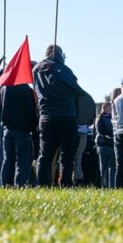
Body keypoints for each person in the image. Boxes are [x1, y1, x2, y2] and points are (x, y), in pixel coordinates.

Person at [33, 44, 90, 188]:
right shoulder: (62, 70)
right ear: (59, 55)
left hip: (45, 117)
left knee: (45, 153)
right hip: (65, 115)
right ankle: (65, 183)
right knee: (67, 153)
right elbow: (77, 90)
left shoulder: (36, 71)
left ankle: (42, 184)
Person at [0, 76, 38, 187]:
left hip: (8, 129)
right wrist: (32, 126)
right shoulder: (26, 90)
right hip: (22, 130)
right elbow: (30, 110)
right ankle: (20, 184)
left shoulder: (6, 88)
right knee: (22, 161)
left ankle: (6, 184)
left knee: (8, 160)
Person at [94, 101, 116, 187]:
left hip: (102, 144)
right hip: (108, 144)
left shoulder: (99, 118)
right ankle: (109, 185)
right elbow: (105, 131)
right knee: (110, 167)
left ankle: (106, 185)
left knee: (104, 167)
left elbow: (98, 131)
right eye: (110, 107)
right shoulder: (110, 119)